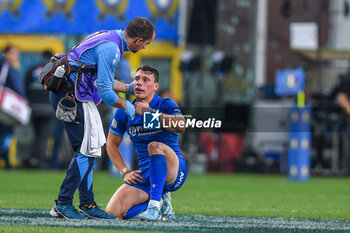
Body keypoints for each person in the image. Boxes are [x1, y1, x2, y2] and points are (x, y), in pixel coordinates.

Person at [49, 17, 156, 219]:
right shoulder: (111, 49)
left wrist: (128, 88)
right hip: (71, 97)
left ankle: (87, 205)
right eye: (146, 44)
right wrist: (130, 108)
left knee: (90, 150)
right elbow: (105, 91)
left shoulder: (110, 38)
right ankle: (62, 204)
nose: (144, 48)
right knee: (85, 151)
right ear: (139, 40)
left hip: (74, 94)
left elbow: (99, 79)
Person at [105, 64, 187, 221]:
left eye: (145, 79)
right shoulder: (125, 111)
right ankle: (161, 203)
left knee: (154, 146)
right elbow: (111, 143)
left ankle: (154, 206)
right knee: (113, 212)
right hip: (145, 174)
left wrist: (148, 112)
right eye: (136, 79)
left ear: (156, 86)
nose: (139, 83)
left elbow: (181, 126)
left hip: (174, 171)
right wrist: (125, 171)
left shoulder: (166, 104)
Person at [24, 50, 55, 169]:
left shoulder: (31, 70)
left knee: (36, 134)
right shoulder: (53, 70)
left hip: (33, 108)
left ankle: (32, 158)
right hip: (48, 108)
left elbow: (24, 88)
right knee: (44, 136)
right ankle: (39, 161)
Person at [0, 45, 24, 169]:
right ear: (8, 53)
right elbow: (17, 87)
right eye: (15, 53)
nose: (17, 56)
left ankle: (7, 161)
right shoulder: (8, 66)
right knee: (7, 133)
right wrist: (24, 100)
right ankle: (5, 159)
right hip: (5, 106)